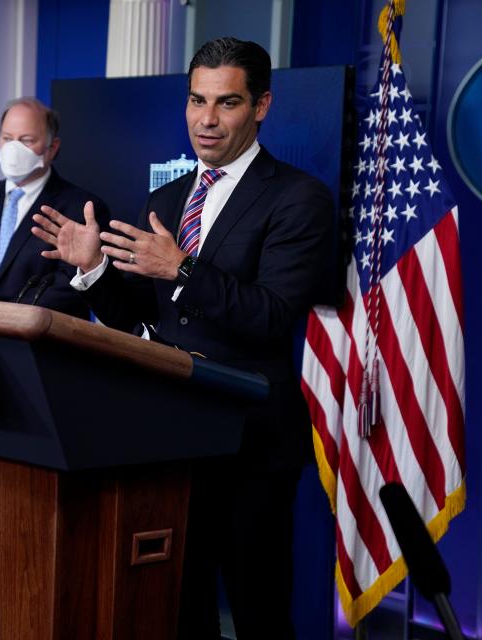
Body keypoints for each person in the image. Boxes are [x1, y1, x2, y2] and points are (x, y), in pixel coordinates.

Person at [32, 38, 334, 638]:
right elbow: (145, 324)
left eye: (227, 103)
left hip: (251, 443)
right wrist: (91, 271)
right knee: (176, 606)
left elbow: (272, 315)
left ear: (262, 106)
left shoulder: (299, 197)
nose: (207, 120)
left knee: (258, 610)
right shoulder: (169, 199)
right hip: (172, 434)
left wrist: (183, 269)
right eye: (197, 100)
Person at [0, 97, 110, 317]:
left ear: (52, 148)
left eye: (26, 140)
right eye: (7, 138)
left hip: (38, 346)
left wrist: (6, 318)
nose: (13, 148)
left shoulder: (81, 209)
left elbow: (74, 285)